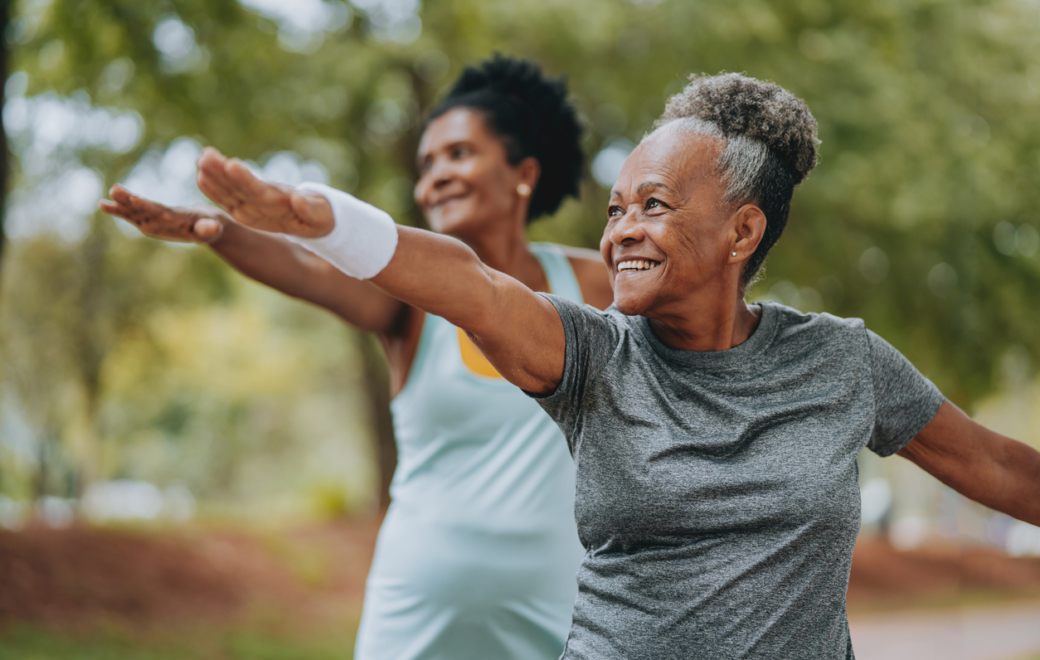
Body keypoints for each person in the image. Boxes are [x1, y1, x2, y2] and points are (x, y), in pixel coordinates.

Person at [166, 71, 1040, 659]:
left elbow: (998, 468)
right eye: (615, 209)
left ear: (743, 231)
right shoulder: (590, 354)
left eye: (653, 206)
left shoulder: (842, 361)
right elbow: (469, 284)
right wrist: (320, 220)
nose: (620, 232)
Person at [102, 56, 613, 660]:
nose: (435, 178)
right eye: (426, 165)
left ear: (523, 173)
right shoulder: (411, 306)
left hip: (559, 612)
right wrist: (223, 230)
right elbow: (306, 269)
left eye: (458, 154)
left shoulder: (593, 285)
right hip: (415, 615)